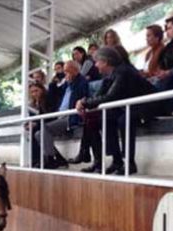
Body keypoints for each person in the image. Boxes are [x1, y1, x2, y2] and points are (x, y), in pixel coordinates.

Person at [76, 47, 155, 175]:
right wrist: (84, 102)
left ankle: (130, 163)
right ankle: (117, 161)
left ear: (105, 62)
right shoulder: (110, 75)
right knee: (106, 118)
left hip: (148, 105)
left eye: (97, 62)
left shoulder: (123, 71)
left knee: (124, 120)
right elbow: (100, 95)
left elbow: (110, 97)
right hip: (130, 106)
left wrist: (85, 102)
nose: (96, 65)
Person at [35, 61, 89, 169]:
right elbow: (55, 93)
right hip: (61, 116)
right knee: (38, 134)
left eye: (67, 71)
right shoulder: (67, 83)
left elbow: (82, 95)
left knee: (45, 128)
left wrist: (71, 83)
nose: (65, 74)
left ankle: (50, 158)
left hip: (72, 116)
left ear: (74, 70)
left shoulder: (81, 81)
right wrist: (53, 84)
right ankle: (59, 159)